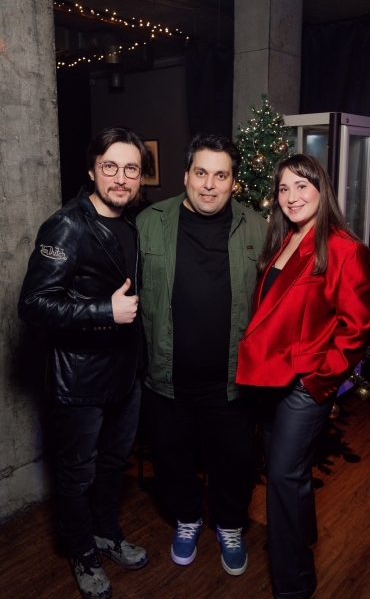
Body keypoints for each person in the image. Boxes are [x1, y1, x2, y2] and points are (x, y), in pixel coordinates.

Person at [18, 126, 152, 599]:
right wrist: (103, 311)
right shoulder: (66, 226)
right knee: (78, 472)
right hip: (79, 376)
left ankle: (105, 533)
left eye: (131, 168)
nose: (121, 177)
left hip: (125, 372)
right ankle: (81, 551)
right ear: (92, 170)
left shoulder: (131, 222)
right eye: (110, 166)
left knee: (114, 463)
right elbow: (33, 304)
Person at [236, 154, 370, 599]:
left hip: (303, 383)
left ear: (321, 189)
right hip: (269, 379)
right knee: (288, 475)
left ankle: (294, 583)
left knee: (282, 476)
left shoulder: (344, 248)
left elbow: (357, 328)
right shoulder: (284, 240)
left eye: (301, 186)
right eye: (283, 188)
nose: (291, 196)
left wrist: (318, 378)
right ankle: (299, 538)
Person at [136, 133, 267, 576]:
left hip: (231, 383)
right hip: (167, 379)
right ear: (186, 175)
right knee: (171, 461)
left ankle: (230, 525)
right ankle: (188, 518)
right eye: (201, 173)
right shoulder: (149, 222)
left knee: (234, 465)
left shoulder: (257, 228)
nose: (209, 184)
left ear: (234, 182)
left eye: (221, 175)